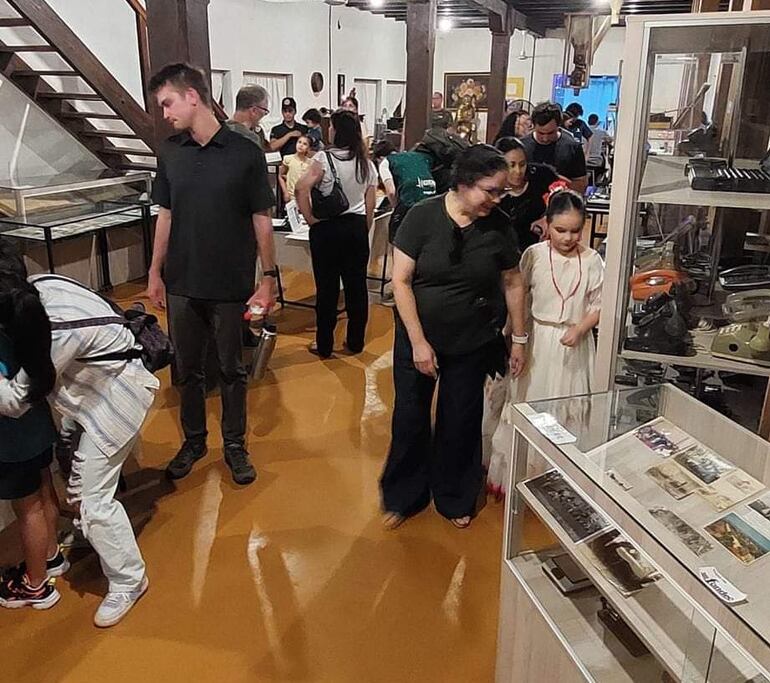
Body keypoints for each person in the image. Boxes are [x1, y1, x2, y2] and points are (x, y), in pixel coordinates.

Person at [0, 243, 160, 627]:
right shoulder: (41, 286)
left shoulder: (52, 331)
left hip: (116, 397)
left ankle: (128, 579)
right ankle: (88, 538)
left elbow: (17, 400)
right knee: (77, 483)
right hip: (89, 395)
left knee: (92, 498)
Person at [379, 145, 528, 530]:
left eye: (501, 192)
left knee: (460, 420)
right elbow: (401, 281)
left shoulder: (498, 226)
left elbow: (512, 281)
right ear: (463, 184)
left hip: (473, 337)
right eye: (490, 190)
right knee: (410, 416)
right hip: (418, 334)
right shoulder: (421, 217)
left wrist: (520, 338)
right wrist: (419, 343)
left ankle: (454, 495)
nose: (496, 200)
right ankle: (403, 495)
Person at [147, 63, 277, 485]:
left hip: (229, 283)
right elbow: (165, 215)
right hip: (182, 281)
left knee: (231, 369)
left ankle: (235, 444)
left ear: (192, 96)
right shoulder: (170, 152)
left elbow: (262, 218)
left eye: (167, 103)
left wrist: (268, 278)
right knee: (187, 370)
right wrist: (154, 272)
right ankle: (194, 440)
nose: (165, 113)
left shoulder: (245, 153)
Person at [0, 265, 62, 611]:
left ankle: (35, 585)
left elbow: (7, 402)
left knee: (28, 510)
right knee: (43, 491)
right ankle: (50, 556)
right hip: (38, 430)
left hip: (12, 441)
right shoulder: (25, 326)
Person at [295, 109, 377, 359]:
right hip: (356, 229)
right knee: (356, 287)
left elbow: (300, 188)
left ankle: (325, 344)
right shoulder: (366, 162)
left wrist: (311, 220)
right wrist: (364, 227)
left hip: (327, 229)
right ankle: (355, 341)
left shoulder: (323, 158)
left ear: (336, 131)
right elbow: (370, 203)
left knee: (327, 288)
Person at [513, 189, 603, 402]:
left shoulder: (591, 260)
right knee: (533, 396)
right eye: (560, 230)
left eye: (575, 231)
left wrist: (580, 328)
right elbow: (520, 297)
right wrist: (516, 337)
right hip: (538, 338)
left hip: (574, 341)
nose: (567, 238)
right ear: (547, 224)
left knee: (569, 401)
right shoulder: (534, 254)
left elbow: (600, 303)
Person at [495, 136, 560, 250]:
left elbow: (564, 198)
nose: (518, 171)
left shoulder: (543, 176)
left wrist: (548, 217)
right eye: (512, 165)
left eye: (522, 164)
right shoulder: (493, 193)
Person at [372, 139, 436, 243]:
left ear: (380, 157)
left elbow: (391, 191)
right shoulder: (418, 156)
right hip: (431, 202)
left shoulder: (386, 162)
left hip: (409, 204)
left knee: (397, 240)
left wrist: (395, 207)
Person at [521, 101, 588, 193]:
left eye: (550, 133)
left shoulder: (572, 147)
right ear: (533, 126)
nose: (545, 138)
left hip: (559, 204)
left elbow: (581, 186)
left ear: (558, 125)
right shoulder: (522, 146)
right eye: (540, 133)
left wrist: (556, 178)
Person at [226, 84, 270, 151]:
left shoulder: (217, 131)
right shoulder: (250, 138)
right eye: (265, 111)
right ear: (254, 111)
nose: (264, 116)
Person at [279, 134, 312, 203]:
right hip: (291, 196)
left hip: (305, 197)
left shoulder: (310, 163)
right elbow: (280, 175)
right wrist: (285, 192)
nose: (301, 145)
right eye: (299, 142)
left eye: (305, 144)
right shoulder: (288, 159)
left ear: (308, 148)